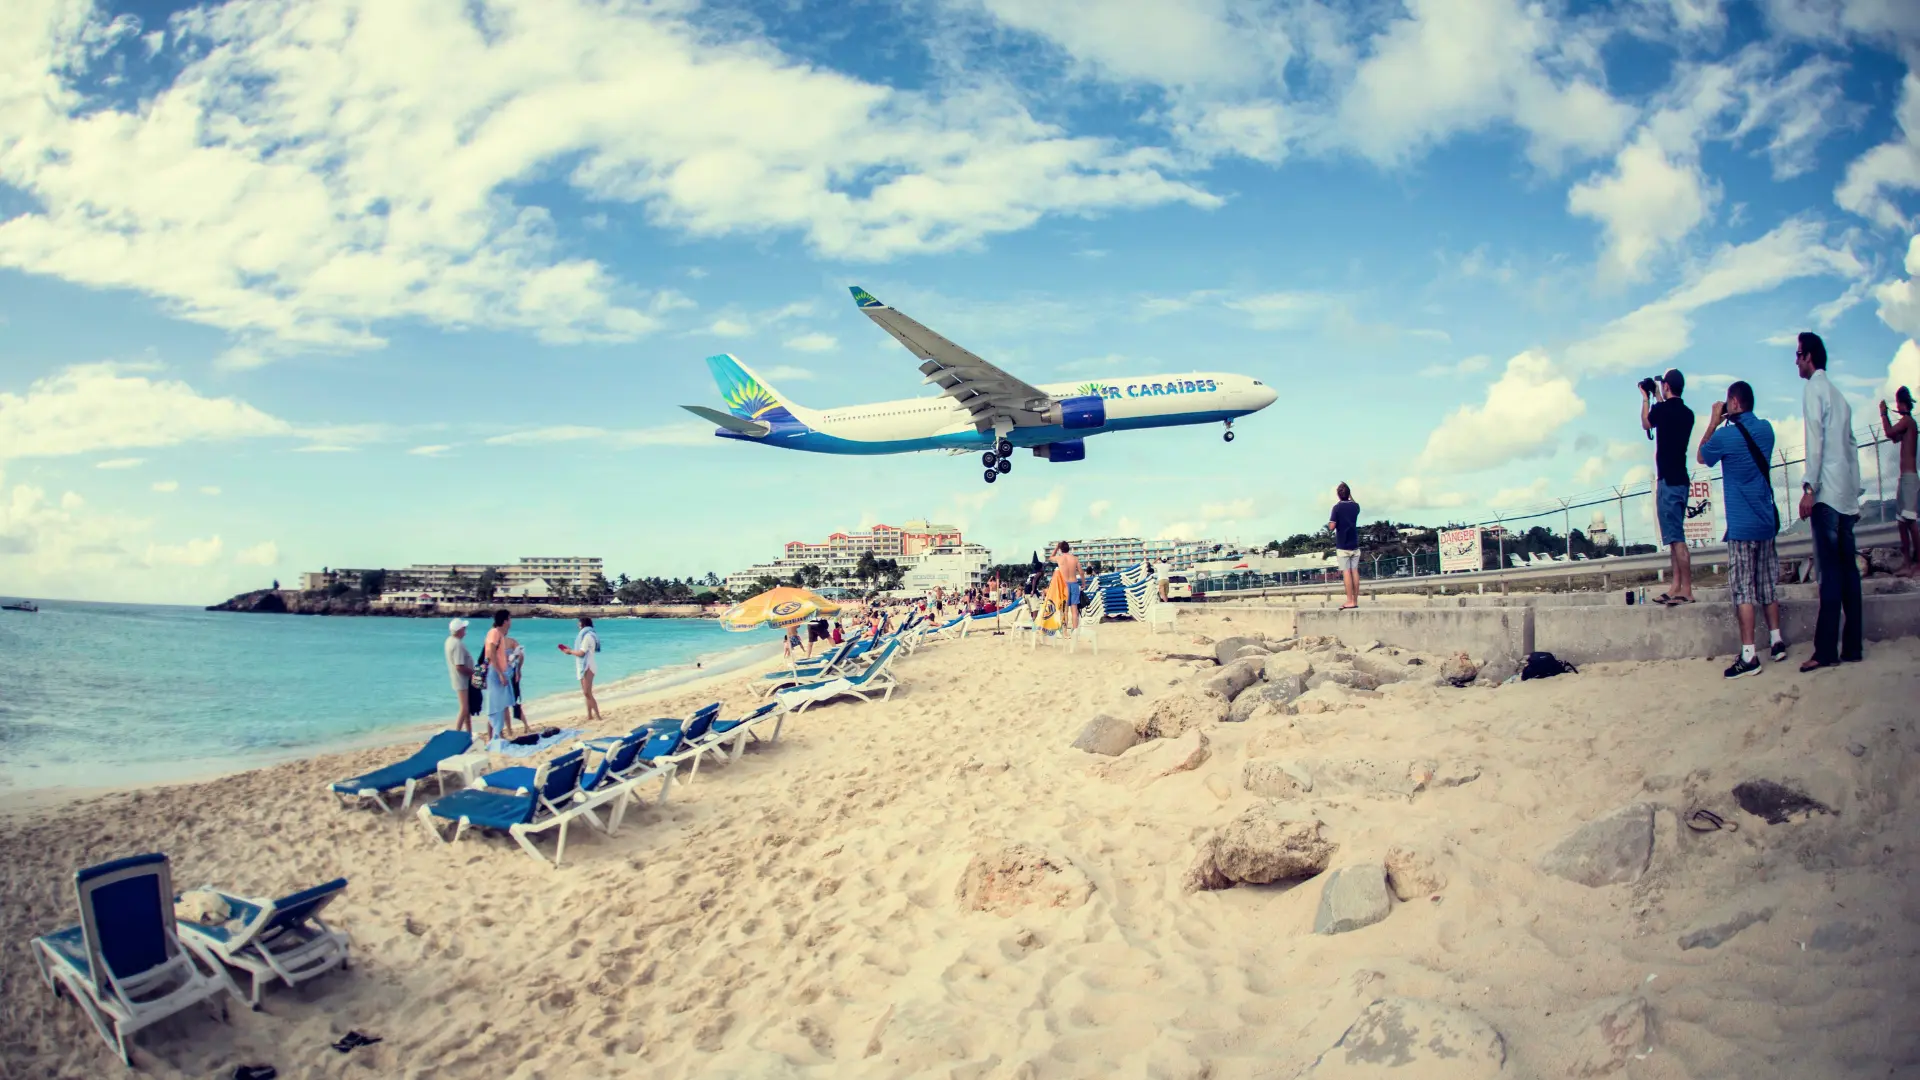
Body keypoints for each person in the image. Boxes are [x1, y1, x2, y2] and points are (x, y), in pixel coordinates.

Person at [1697, 380, 1786, 678]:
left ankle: (1749, 655)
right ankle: (1777, 641)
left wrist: (1713, 421)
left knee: (1744, 591)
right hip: (1766, 522)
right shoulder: (1767, 430)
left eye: (1727, 402)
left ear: (1734, 403)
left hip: (1741, 527)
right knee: (1767, 585)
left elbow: (1702, 455)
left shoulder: (1726, 437)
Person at [1796, 332, 1863, 670]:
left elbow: (1815, 440)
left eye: (1797, 355)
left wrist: (1810, 487)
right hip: (1846, 496)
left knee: (1830, 574)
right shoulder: (1841, 397)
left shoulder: (1814, 390)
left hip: (1826, 495)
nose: (1795, 361)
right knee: (1849, 571)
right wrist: (1856, 493)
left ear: (1809, 357)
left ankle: (1825, 652)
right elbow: (1852, 450)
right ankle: (1852, 647)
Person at [1642, 368, 1697, 605]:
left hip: (1668, 481)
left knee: (1677, 538)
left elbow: (1646, 423)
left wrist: (1646, 397)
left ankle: (1687, 589)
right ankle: (1676, 586)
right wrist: (1659, 395)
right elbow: (1667, 411)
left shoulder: (1661, 410)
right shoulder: (1687, 414)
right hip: (1681, 479)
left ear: (1666, 387)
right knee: (1674, 538)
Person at [1881, 387, 1917, 576]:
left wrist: (1883, 414)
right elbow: (1895, 438)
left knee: (1910, 521)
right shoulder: (1906, 423)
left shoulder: (1908, 421)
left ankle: (1918, 564)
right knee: (1902, 522)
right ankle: (1908, 563)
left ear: (1901, 403)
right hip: (1904, 478)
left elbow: (1888, 433)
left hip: (1910, 478)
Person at [560, 616, 604, 723]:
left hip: (587, 665)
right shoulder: (589, 635)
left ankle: (598, 716)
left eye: (579, 624)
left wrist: (569, 651)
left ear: (583, 624)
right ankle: (589, 716)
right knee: (586, 693)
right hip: (586, 665)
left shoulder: (587, 636)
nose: (578, 626)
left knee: (587, 692)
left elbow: (581, 653)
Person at [1327, 482, 1362, 610]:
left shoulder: (1336, 508)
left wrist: (1330, 523)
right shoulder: (1356, 506)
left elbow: (1331, 527)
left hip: (1342, 545)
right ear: (1349, 494)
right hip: (1355, 545)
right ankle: (1355, 600)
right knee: (1355, 572)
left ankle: (1349, 600)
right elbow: (1353, 502)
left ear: (1338, 494)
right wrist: (1350, 495)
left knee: (1346, 573)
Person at [482, 609, 514, 742]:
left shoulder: (499, 634)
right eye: (509, 619)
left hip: (499, 671)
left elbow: (498, 654)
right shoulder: (494, 633)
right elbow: (491, 654)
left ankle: (498, 734)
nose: (511, 622)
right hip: (495, 672)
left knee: (499, 704)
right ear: (505, 620)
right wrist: (500, 673)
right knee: (495, 705)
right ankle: (493, 736)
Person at [444, 618, 473, 734]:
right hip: (462, 680)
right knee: (464, 708)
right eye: (464, 628)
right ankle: (457, 732)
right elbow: (459, 666)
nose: (465, 631)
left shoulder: (449, 641)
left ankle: (469, 731)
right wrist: (473, 673)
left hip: (458, 678)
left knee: (466, 708)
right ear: (460, 630)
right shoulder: (457, 644)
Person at [1051, 541, 1083, 632]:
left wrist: (1056, 547)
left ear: (1061, 549)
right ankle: (1075, 630)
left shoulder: (1059, 558)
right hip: (1074, 584)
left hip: (1064, 585)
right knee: (1074, 609)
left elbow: (1050, 557)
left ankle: (1064, 631)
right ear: (1068, 548)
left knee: (1064, 610)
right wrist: (1083, 583)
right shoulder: (1075, 559)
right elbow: (1081, 572)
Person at [506, 636, 530, 736]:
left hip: (502, 676)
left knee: (503, 705)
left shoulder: (494, 642)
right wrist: (518, 670)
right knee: (515, 702)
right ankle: (525, 726)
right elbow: (521, 654)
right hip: (511, 675)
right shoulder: (511, 641)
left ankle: (509, 730)